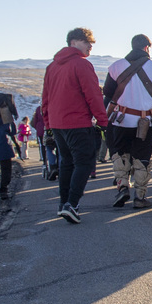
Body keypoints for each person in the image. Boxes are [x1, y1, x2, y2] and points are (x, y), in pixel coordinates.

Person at [41, 27, 109, 223]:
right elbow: (93, 95)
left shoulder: (52, 67)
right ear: (75, 41)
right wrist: (103, 121)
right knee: (85, 162)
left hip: (57, 124)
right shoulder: (81, 65)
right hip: (77, 122)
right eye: (88, 42)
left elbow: (45, 98)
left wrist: (48, 124)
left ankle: (63, 204)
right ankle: (72, 204)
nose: (90, 47)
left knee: (67, 163)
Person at [102, 34, 152, 209]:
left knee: (120, 153)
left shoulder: (115, 67)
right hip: (146, 121)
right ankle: (140, 196)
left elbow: (108, 93)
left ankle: (123, 185)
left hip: (120, 119)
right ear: (148, 48)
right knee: (142, 157)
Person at [31, 104, 58, 181]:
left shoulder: (39, 109)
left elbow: (34, 122)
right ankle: (59, 166)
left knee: (47, 147)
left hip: (43, 130)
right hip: (56, 128)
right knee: (59, 148)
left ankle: (50, 165)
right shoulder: (55, 105)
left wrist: (38, 127)